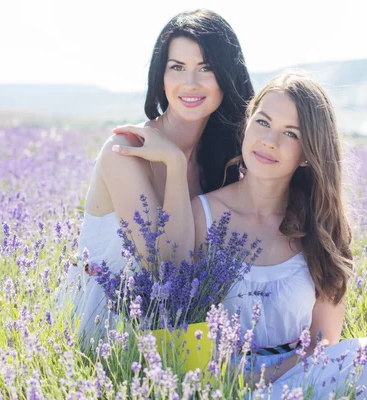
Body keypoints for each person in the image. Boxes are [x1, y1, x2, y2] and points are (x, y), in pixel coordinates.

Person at [118, 71, 367, 398]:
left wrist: (273, 376)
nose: (270, 141)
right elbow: (172, 326)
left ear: (308, 153)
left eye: (290, 133)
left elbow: (324, 345)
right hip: (220, 386)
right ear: (247, 124)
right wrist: (174, 163)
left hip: (296, 382)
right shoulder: (200, 216)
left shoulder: (320, 228)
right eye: (262, 122)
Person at [58, 9, 254, 349]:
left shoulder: (223, 155)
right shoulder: (124, 150)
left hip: (182, 330)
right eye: (176, 67)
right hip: (108, 330)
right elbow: (167, 268)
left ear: (227, 75)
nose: (190, 83)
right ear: (160, 77)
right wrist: (176, 167)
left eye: (205, 68)